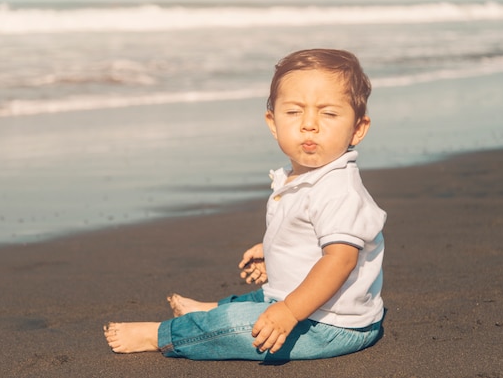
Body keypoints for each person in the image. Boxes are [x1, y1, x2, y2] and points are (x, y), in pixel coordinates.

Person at [103, 48, 387, 361]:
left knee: (236, 326)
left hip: (331, 324)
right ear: (273, 122)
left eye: (328, 113)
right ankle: (211, 308)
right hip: (303, 302)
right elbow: (306, 231)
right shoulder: (303, 176)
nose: (309, 124)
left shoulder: (339, 189)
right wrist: (272, 249)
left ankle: (161, 334)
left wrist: (290, 312)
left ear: (358, 129)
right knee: (262, 298)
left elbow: (340, 261)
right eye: (294, 112)